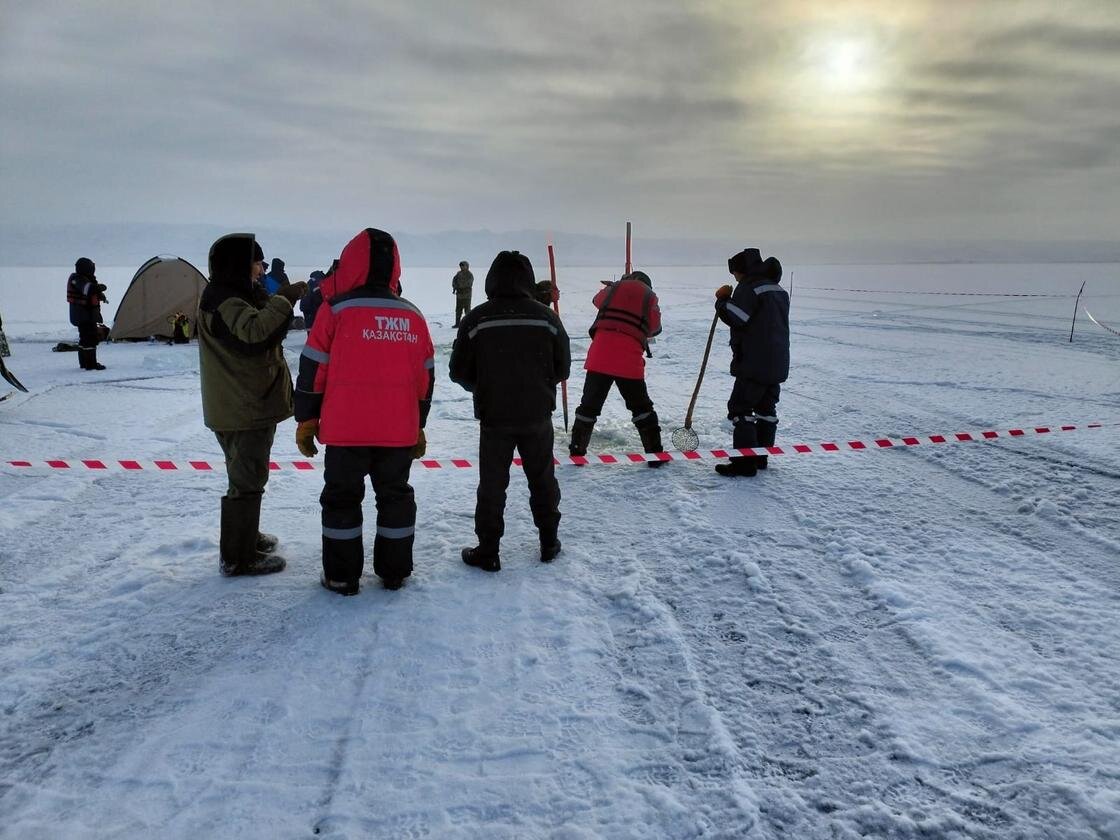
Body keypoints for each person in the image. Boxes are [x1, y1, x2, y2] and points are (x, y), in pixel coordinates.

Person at [294, 228, 434, 595]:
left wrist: (307, 418)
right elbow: (425, 377)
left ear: (352, 263)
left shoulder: (335, 310)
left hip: (345, 431)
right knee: (395, 497)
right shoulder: (413, 316)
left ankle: (341, 576)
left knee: (341, 499)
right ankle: (394, 572)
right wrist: (418, 425)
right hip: (396, 432)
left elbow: (312, 368)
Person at [449, 251, 570, 572]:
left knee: (492, 485)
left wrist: (487, 387)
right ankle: (549, 542)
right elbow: (563, 367)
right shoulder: (547, 318)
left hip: (495, 417)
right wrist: (538, 386)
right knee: (543, 480)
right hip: (537, 415)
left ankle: (488, 550)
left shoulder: (477, 319)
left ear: (491, 279)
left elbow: (458, 370)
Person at [198, 234, 307, 576]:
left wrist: (276, 302)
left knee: (246, 474)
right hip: (241, 406)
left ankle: (246, 535)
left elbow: (263, 326)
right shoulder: (225, 299)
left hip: (242, 403)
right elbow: (255, 333)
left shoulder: (232, 295)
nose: (261, 269)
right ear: (240, 265)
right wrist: (285, 300)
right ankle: (238, 556)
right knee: (247, 478)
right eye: (257, 263)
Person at [568, 270, 664, 467]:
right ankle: (655, 455)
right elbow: (655, 328)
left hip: (600, 356)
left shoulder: (615, 288)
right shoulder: (649, 296)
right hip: (628, 360)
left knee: (589, 406)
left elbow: (597, 300)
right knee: (641, 407)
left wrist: (613, 287)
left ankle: (577, 453)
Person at [713, 248, 790, 477]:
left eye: (735, 273)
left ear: (742, 270)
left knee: (741, 409)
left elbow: (738, 317)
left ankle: (744, 464)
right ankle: (760, 459)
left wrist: (722, 301)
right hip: (777, 361)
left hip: (754, 363)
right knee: (766, 409)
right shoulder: (778, 289)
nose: (734, 278)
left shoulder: (750, 287)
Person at [66, 257, 109, 370]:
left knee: (85, 338)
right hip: (83, 315)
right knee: (89, 338)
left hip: (87, 314)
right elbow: (87, 289)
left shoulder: (84, 278)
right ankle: (90, 364)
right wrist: (99, 288)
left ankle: (84, 363)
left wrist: (100, 295)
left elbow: (91, 291)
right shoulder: (76, 279)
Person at [452, 260, 474, 327]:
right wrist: (455, 286)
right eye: (461, 266)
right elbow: (454, 280)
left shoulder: (470, 275)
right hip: (459, 295)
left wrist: (459, 286)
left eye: (463, 266)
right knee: (458, 310)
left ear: (466, 266)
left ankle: (468, 324)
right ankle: (457, 323)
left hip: (467, 296)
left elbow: (469, 284)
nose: (461, 267)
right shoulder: (458, 273)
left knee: (467, 310)